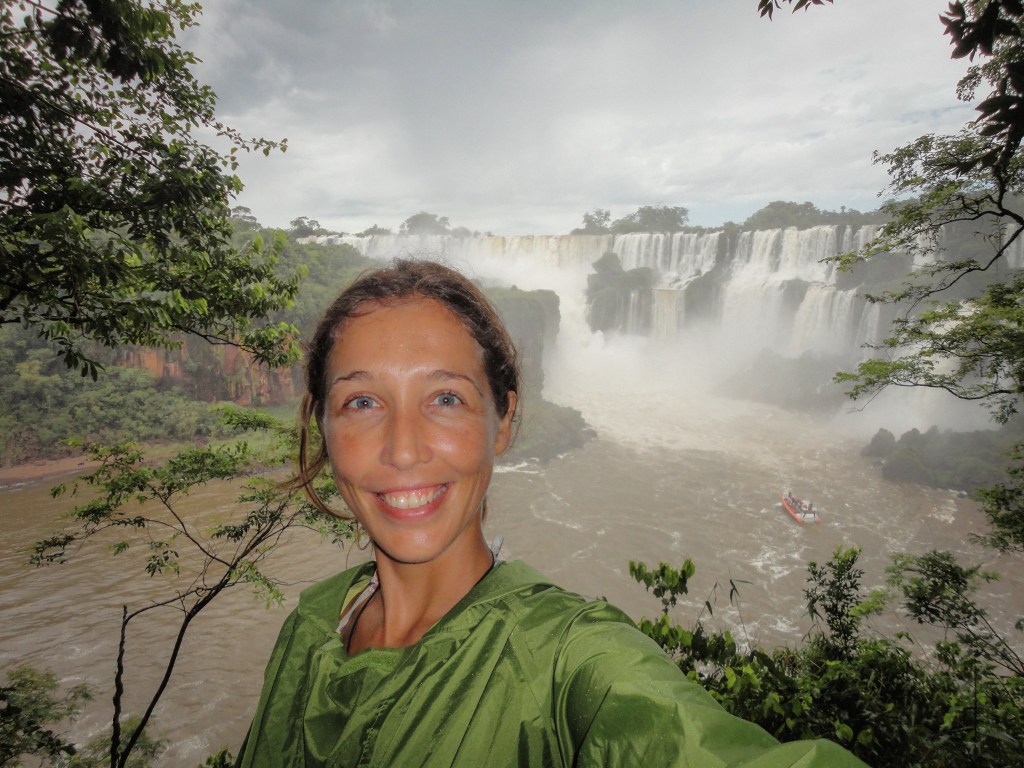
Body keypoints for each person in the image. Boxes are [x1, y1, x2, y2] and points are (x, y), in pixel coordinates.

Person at [236, 259, 867, 767]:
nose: (404, 448)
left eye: (446, 398)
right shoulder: (313, 624)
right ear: (323, 424)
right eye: (364, 401)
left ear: (503, 422)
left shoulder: (570, 660)